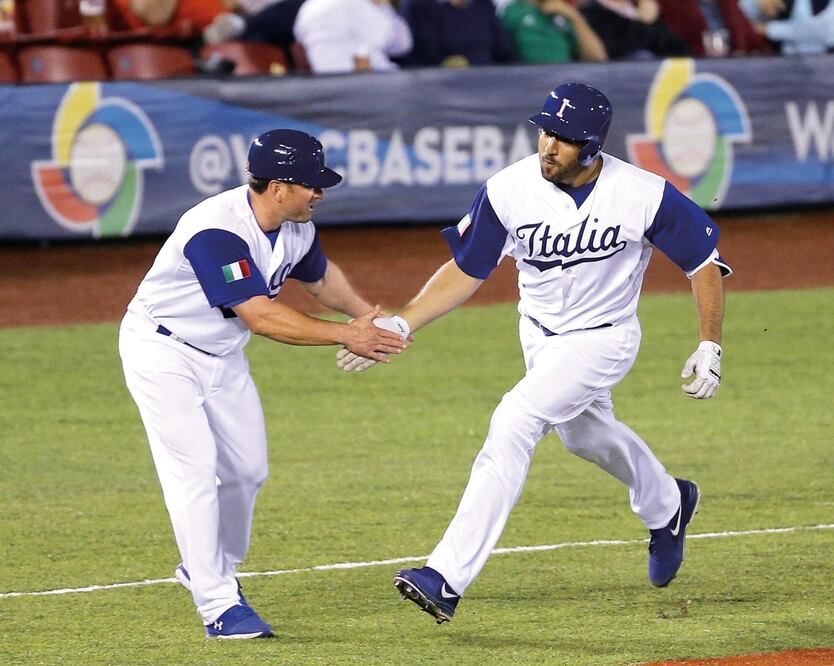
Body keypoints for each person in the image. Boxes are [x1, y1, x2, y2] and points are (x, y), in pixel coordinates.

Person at [341, 83, 730, 623]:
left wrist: (709, 341)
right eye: (545, 131)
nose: (548, 145)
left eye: (563, 138)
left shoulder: (642, 193)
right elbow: (467, 268)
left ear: (592, 147)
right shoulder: (508, 189)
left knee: (514, 421)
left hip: (603, 338)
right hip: (539, 336)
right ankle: (668, 502)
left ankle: (445, 577)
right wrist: (403, 321)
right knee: (583, 436)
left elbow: (703, 262)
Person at [118, 129, 407, 638]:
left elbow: (321, 280)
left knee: (248, 471)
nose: (319, 193)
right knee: (193, 471)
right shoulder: (216, 231)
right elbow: (261, 317)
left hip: (222, 355)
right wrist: (347, 335)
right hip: (162, 351)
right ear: (277, 187)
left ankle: (208, 565)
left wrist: (369, 318)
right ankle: (218, 605)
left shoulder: (295, 227)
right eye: (311, 184)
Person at [292, 0, 413, 73]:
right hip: (366, 85)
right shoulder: (354, 3)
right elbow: (402, 44)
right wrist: (383, 6)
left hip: (325, 86)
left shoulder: (307, 7)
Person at [400, 0, 516, 67]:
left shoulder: (483, 4)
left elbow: (504, 51)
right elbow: (414, 56)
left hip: (490, 82)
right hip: (441, 86)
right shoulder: (419, 6)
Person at [501, 0, 608, 64]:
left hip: (565, 78)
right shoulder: (511, 11)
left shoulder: (564, 11)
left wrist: (574, 17)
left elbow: (598, 58)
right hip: (527, 80)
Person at [579, 0, 690, 59]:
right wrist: (643, 23)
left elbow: (676, 47)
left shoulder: (640, 7)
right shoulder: (591, 11)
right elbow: (619, 49)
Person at [658, 0, 771, 56]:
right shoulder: (675, 5)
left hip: (733, 65)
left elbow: (748, 35)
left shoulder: (729, 4)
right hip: (695, 65)